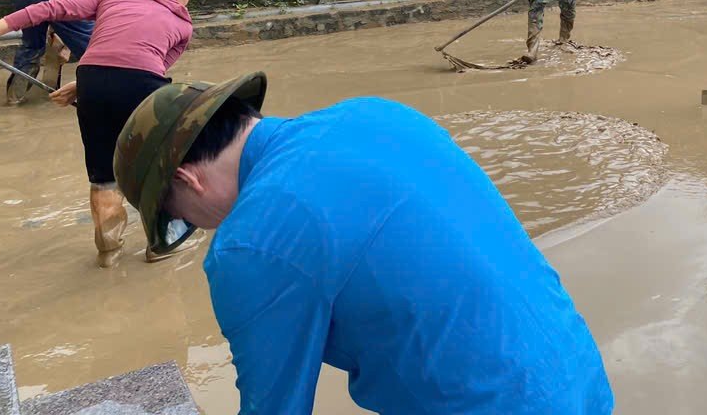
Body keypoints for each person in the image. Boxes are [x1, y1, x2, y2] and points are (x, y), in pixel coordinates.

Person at [113, 73, 615, 415]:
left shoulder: (251, 243)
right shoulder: (376, 115)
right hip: (578, 380)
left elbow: (273, 407)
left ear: (188, 180)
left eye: (181, 219)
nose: (200, 227)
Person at [0, 0, 194, 267]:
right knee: (158, 164)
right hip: (140, 84)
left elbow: (48, 10)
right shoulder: (182, 24)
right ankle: (160, 243)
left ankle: (109, 252)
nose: (188, 0)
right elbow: (149, 66)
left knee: (103, 175)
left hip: (92, 79)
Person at [5, 0, 129, 104]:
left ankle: (17, 87)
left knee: (32, 45)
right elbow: (93, 3)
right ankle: (109, 85)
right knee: (92, 42)